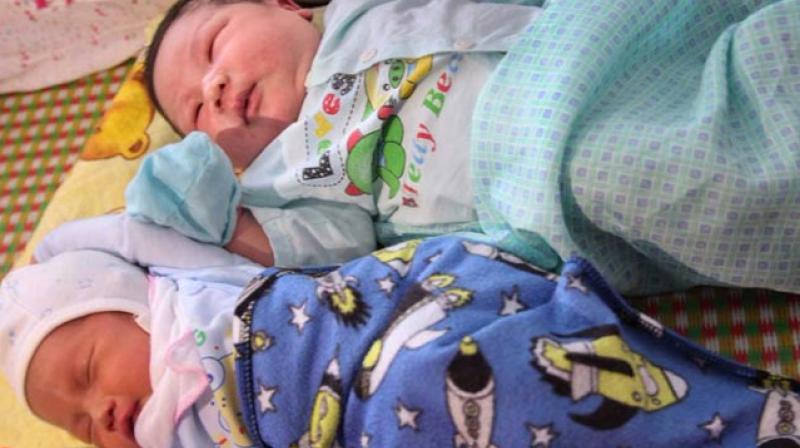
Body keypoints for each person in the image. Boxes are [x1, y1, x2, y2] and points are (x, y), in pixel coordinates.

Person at [3, 217, 800, 447]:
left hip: (378, 322)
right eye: (74, 425)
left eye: (86, 372)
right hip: (361, 424)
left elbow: (133, 235)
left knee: (474, 372)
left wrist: (60, 252)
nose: (97, 411)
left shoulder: (196, 296)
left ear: (137, 304)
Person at [126, 0, 551, 269]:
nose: (211, 89)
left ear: (287, 6)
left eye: (213, 46)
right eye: (197, 112)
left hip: (559, 56)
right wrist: (221, 219)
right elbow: (334, 247)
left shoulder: (359, 11)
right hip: (538, 205)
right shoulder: (278, 182)